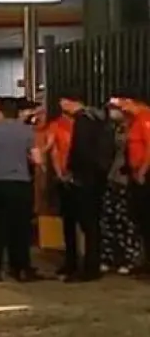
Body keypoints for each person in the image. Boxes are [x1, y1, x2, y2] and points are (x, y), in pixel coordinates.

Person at [0, 98, 40, 282]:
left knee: (0, 227)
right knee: (21, 228)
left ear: (0, 112)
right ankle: (22, 268)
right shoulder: (28, 131)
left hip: (0, 183)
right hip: (21, 183)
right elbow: (38, 159)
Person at [58, 94, 114, 282]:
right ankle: (90, 264)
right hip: (97, 177)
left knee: (81, 223)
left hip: (83, 178)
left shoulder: (82, 121)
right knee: (91, 224)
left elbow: (79, 150)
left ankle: (85, 266)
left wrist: (72, 172)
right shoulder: (98, 119)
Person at [100, 106, 140, 275]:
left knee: (125, 220)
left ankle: (128, 258)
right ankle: (111, 256)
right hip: (112, 177)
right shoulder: (115, 128)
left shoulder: (134, 127)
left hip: (125, 179)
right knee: (109, 219)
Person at [113, 97, 150, 271]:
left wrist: (142, 170)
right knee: (140, 218)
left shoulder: (145, 118)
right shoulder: (135, 121)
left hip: (144, 174)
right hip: (135, 173)